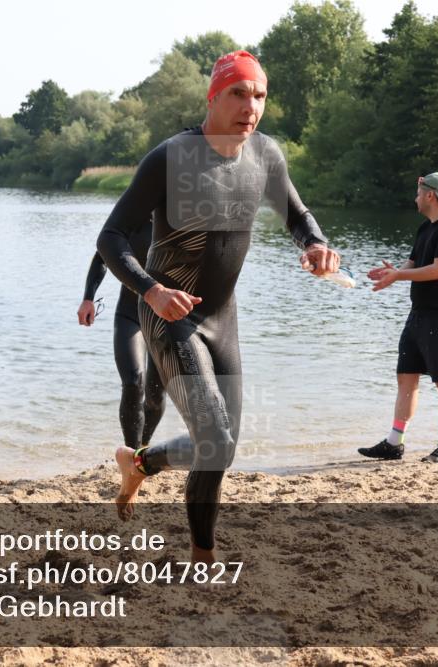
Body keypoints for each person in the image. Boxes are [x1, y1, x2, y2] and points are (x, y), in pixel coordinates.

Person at [96, 51, 340, 563]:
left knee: (220, 449)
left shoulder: (266, 155)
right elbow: (111, 237)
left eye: (260, 95)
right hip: (168, 314)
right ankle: (202, 556)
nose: (250, 105)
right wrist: (151, 291)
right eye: (238, 93)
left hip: (222, 318)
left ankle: (139, 463)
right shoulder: (172, 157)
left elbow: (298, 215)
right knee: (212, 436)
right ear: (213, 97)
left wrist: (315, 245)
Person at [358, 172, 438, 463]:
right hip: (419, 315)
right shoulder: (427, 227)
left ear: (431, 195)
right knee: (406, 377)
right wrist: (393, 272)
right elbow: (414, 263)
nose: (416, 198)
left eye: (419, 193)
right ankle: (395, 443)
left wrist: (400, 275)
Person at [77, 218, 165, 451]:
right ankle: (132, 457)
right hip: (130, 314)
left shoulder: (181, 220)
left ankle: (144, 447)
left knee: (155, 396)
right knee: (134, 381)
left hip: (167, 320)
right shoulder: (134, 214)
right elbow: (102, 255)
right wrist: (88, 298)